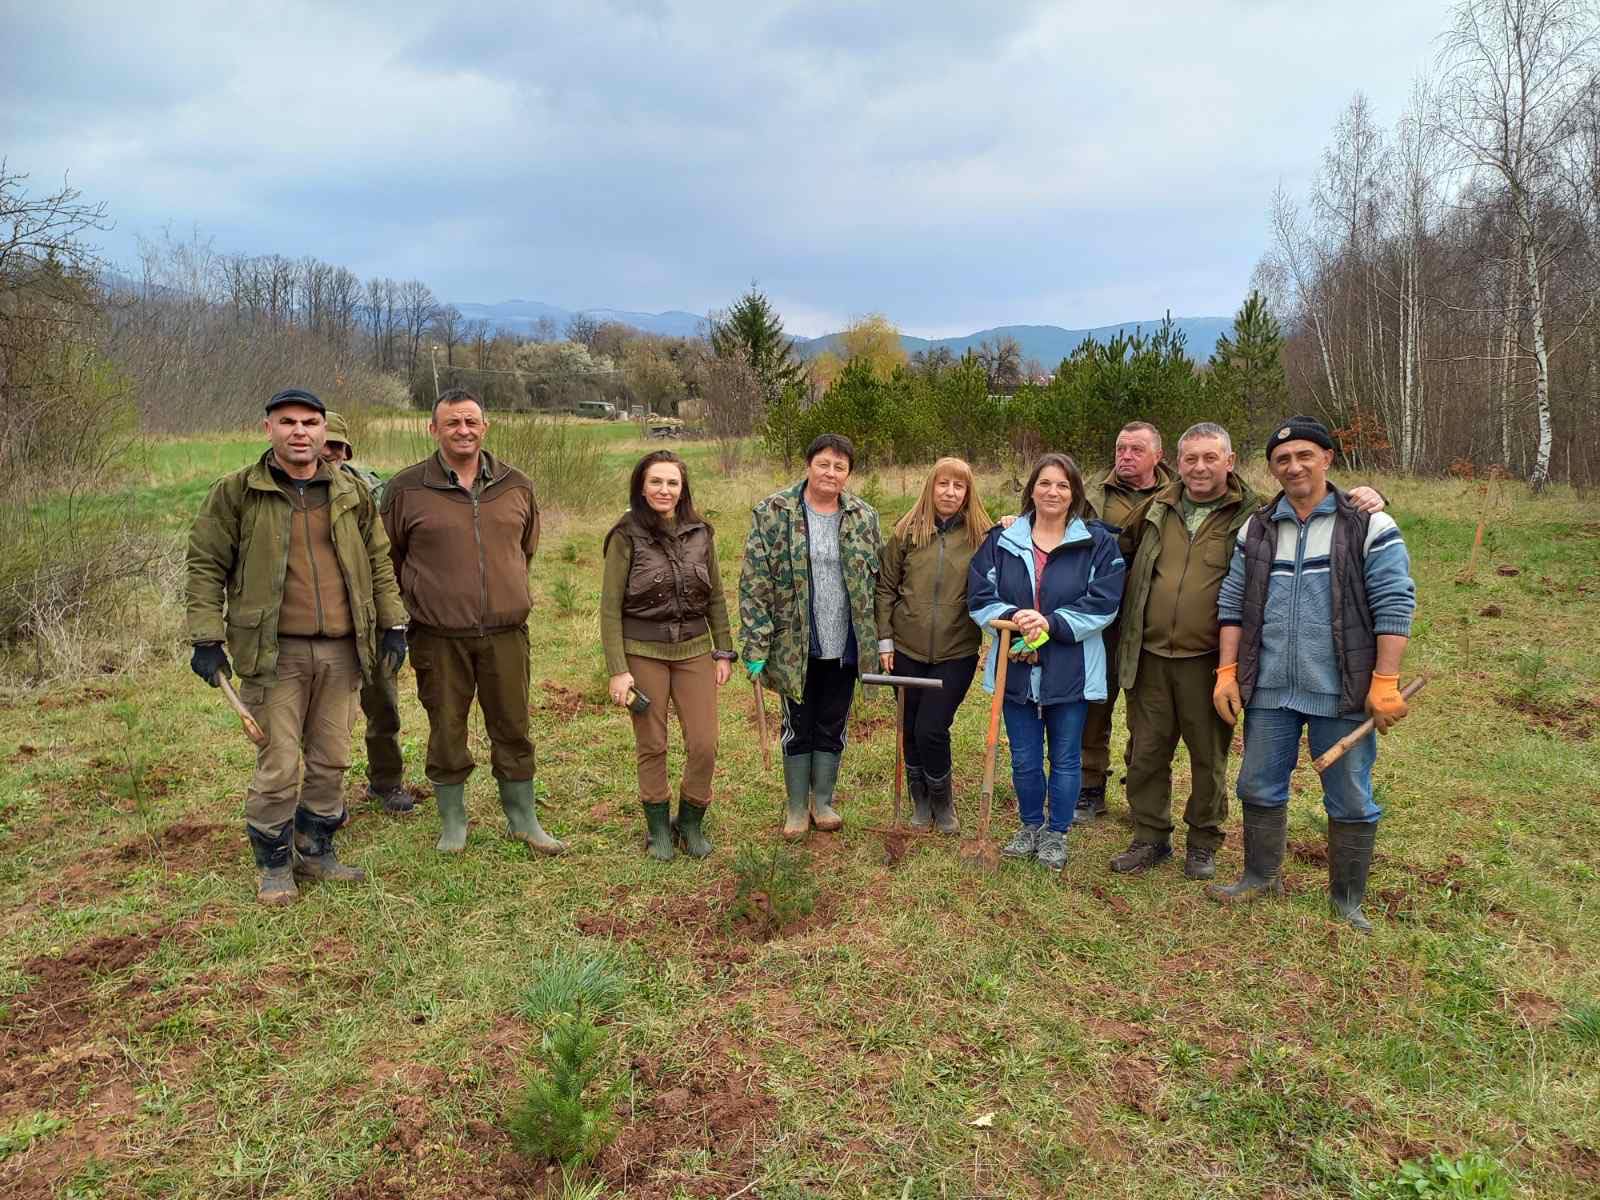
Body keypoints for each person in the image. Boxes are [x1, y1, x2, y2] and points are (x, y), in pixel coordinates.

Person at [185, 388, 408, 905]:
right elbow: (204, 566)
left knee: (331, 758)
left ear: (325, 431)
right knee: (280, 763)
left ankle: (316, 848)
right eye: (288, 422)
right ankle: (274, 865)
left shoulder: (351, 492)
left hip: (342, 651)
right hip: (273, 653)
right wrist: (206, 637)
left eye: (311, 422)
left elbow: (379, 563)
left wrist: (393, 624)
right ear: (269, 429)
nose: (300, 432)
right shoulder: (237, 492)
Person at [1211, 415, 1416, 932]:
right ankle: (1260, 877)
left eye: (1305, 455)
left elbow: (1395, 602)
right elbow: (1232, 601)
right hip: (1271, 689)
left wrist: (1385, 681)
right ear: (1273, 469)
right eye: (1282, 459)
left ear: (1327, 458)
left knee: (1349, 794)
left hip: (1342, 690)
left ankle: (1347, 900)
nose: (1294, 465)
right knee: (1257, 784)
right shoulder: (1257, 528)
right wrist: (1228, 670)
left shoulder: (1367, 524)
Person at [381, 388, 564, 856]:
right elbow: (389, 557)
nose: (463, 431)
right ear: (433, 429)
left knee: (514, 726)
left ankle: (523, 818)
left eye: (471, 422)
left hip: (506, 634)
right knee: (446, 728)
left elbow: (525, 549)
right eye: (452, 423)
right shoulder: (406, 489)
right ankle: (453, 822)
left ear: (485, 426)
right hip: (439, 637)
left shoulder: (516, 484)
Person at [967, 453, 1125, 870]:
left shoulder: (1097, 543)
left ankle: (1057, 834)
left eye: (1062, 485)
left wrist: (1050, 622)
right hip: (1015, 667)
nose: (1052, 492)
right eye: (1044, 484)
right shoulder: (1001, 541)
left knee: (1067, 755)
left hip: (1070, 667)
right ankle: (1030, 825)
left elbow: (1104, 602)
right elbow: (980, 595)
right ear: (1031, 489)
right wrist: (1014, 617)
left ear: (1073, 493)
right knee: (1023, 756)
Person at [739, 433, 883, 840]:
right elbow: (755, 582)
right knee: (798, 723)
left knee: (833, 722)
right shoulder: (773, 512)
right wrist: (755, 643)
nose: (830, 473)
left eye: (840, 466)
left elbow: (879, 582)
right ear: (808, 465)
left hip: (845, 643)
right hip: (793, 644)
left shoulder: (863, 516)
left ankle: (823, 801)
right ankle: (797, 807)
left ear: (848, 473)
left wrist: (880, 640)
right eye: (824, 463)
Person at [600, 451, 736, 861]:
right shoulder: (625, 536)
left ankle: (690, 822)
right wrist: (618, 671)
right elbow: (609, 608)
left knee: (704, 743)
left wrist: (723, 650)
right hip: (643, 651)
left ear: (683, 488)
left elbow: (715, 596)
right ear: (641, 486)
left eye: (672, 482)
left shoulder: (701, 532)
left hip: (695, 648)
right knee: (653, 742)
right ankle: (658, 829)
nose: (664, 490)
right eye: (656, 482)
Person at [874, 457, 995, 834]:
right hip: (906, 649)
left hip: (955, 652)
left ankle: (943, 801)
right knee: (909, 727)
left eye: (958, 487)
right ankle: (920, 800)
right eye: (943, 484)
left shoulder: (983, 537)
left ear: (968, 493)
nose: (950, 492)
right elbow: (886, 588)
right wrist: (884, 639)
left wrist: (1010, 523)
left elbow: (1003, 579)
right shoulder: (906, 532)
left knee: (931, 726)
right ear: (931, 487)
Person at [1075, 422, 1178, 821]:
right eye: (1121, 448)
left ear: (1158, 456)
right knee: (1093, 704)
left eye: (1136, 449)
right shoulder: (1090, 494)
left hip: (1151, 621)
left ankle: (1142, 793)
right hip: (1098, 619)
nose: (1126, 456)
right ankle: (1089, 787)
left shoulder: (1178, 497)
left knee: (1147, 714)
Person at [322, 411, 412, 816]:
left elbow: (386, 558)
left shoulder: (370, 491)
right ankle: (322, 795)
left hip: (371, 616)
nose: (330, 455)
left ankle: (387, 781)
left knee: (383, 704)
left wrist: (395, 621)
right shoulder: (280, 492)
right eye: (326, 445)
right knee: (321, 718)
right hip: (318, 623)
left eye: (338, 447)